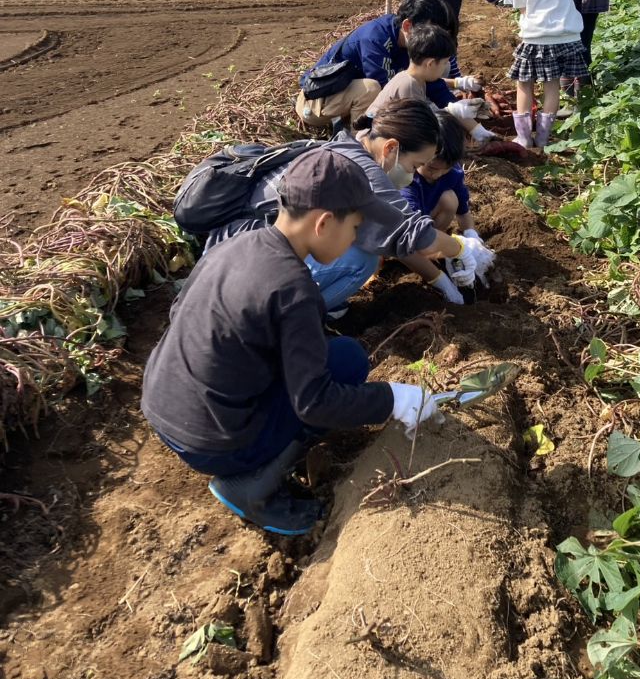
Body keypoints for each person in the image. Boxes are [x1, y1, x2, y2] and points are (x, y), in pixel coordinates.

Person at [141, 149, 442, 535]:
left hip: (165, 407)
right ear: (323, 224)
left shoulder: (237, 242)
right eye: (354, 228)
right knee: (347, 363)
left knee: (335, 354)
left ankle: (248, 448)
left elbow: (180, 313)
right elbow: (315, 402)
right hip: (216, 441)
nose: (355, 238)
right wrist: (395, 399)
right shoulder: (294, 289)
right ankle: (254, 484)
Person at [206, 99, 496, 314]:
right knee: (363, 258)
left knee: (359, 240)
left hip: (230, 255)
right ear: (391, 148)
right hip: (246, 269)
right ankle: (294, 314)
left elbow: (397, 224)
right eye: (415, 165)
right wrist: (459, 249)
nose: (413, 173)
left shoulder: (348, 148)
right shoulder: (364, 171)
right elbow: (409, 232)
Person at [295, 0, 479, 127]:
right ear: (408, 25)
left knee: (430, 73)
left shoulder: (410, 40)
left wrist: (472, 126)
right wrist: (438, 113)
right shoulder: (375, 39)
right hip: (316, 103)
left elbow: (429, 82)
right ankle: (356, 145)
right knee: (372, 88)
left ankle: (348, 127)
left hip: (345, 98)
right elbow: (389, 94)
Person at [488, 0, 589, 149]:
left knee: (524, 83)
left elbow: (521, 5)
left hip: (539, 32)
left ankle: (524, 138)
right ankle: (543, 138)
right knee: (552, 84)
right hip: (567, 31)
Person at [399, 112, 487, 304]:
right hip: (400, 235)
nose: (437, 174)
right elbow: (409, 235)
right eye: (431, 168)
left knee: (450, 199)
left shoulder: (452, 173)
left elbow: (463, 212)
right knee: (409, 246)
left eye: (444, 169)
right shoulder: (406, 180)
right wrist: (443, 281)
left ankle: (431, 248)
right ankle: (429, 251)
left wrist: (473, 238)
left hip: (424, 221)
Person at [365, 23, 496, 143]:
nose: (446, 68)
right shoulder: (409, 84)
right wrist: (451, 112)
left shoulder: (417, 78)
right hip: (375, 141)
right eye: (445, 63)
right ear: (431, 63)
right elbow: (420, 125)